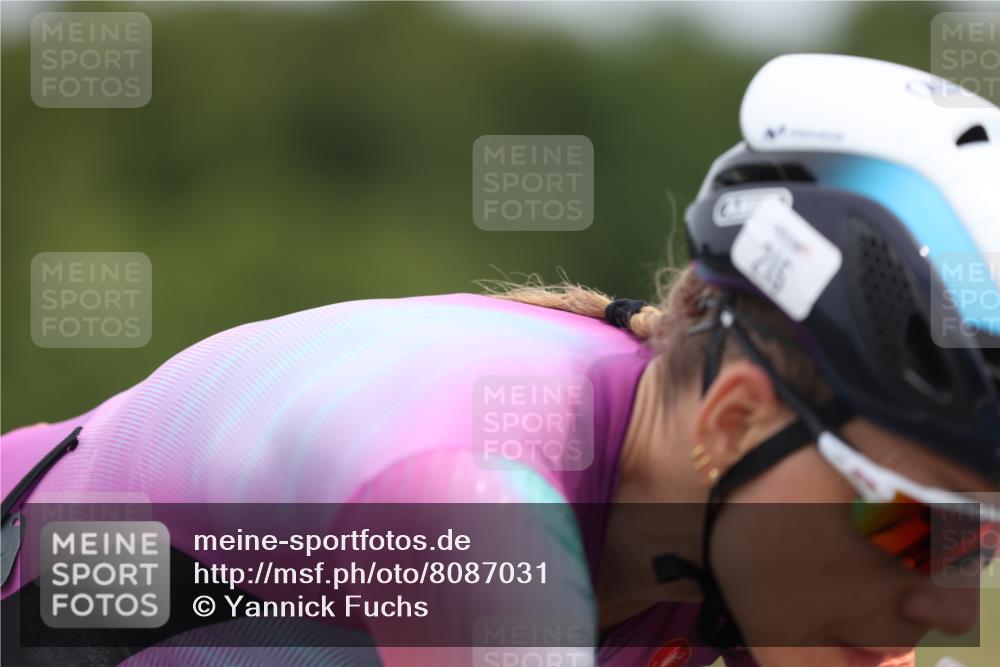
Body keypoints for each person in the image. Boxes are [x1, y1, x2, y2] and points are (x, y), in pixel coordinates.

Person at [2, 54, 998, 667]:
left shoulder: (729, 538)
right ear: (733, 420)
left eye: (981, 545)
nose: (949, 604)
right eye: (912, 523)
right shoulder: (476, 504)